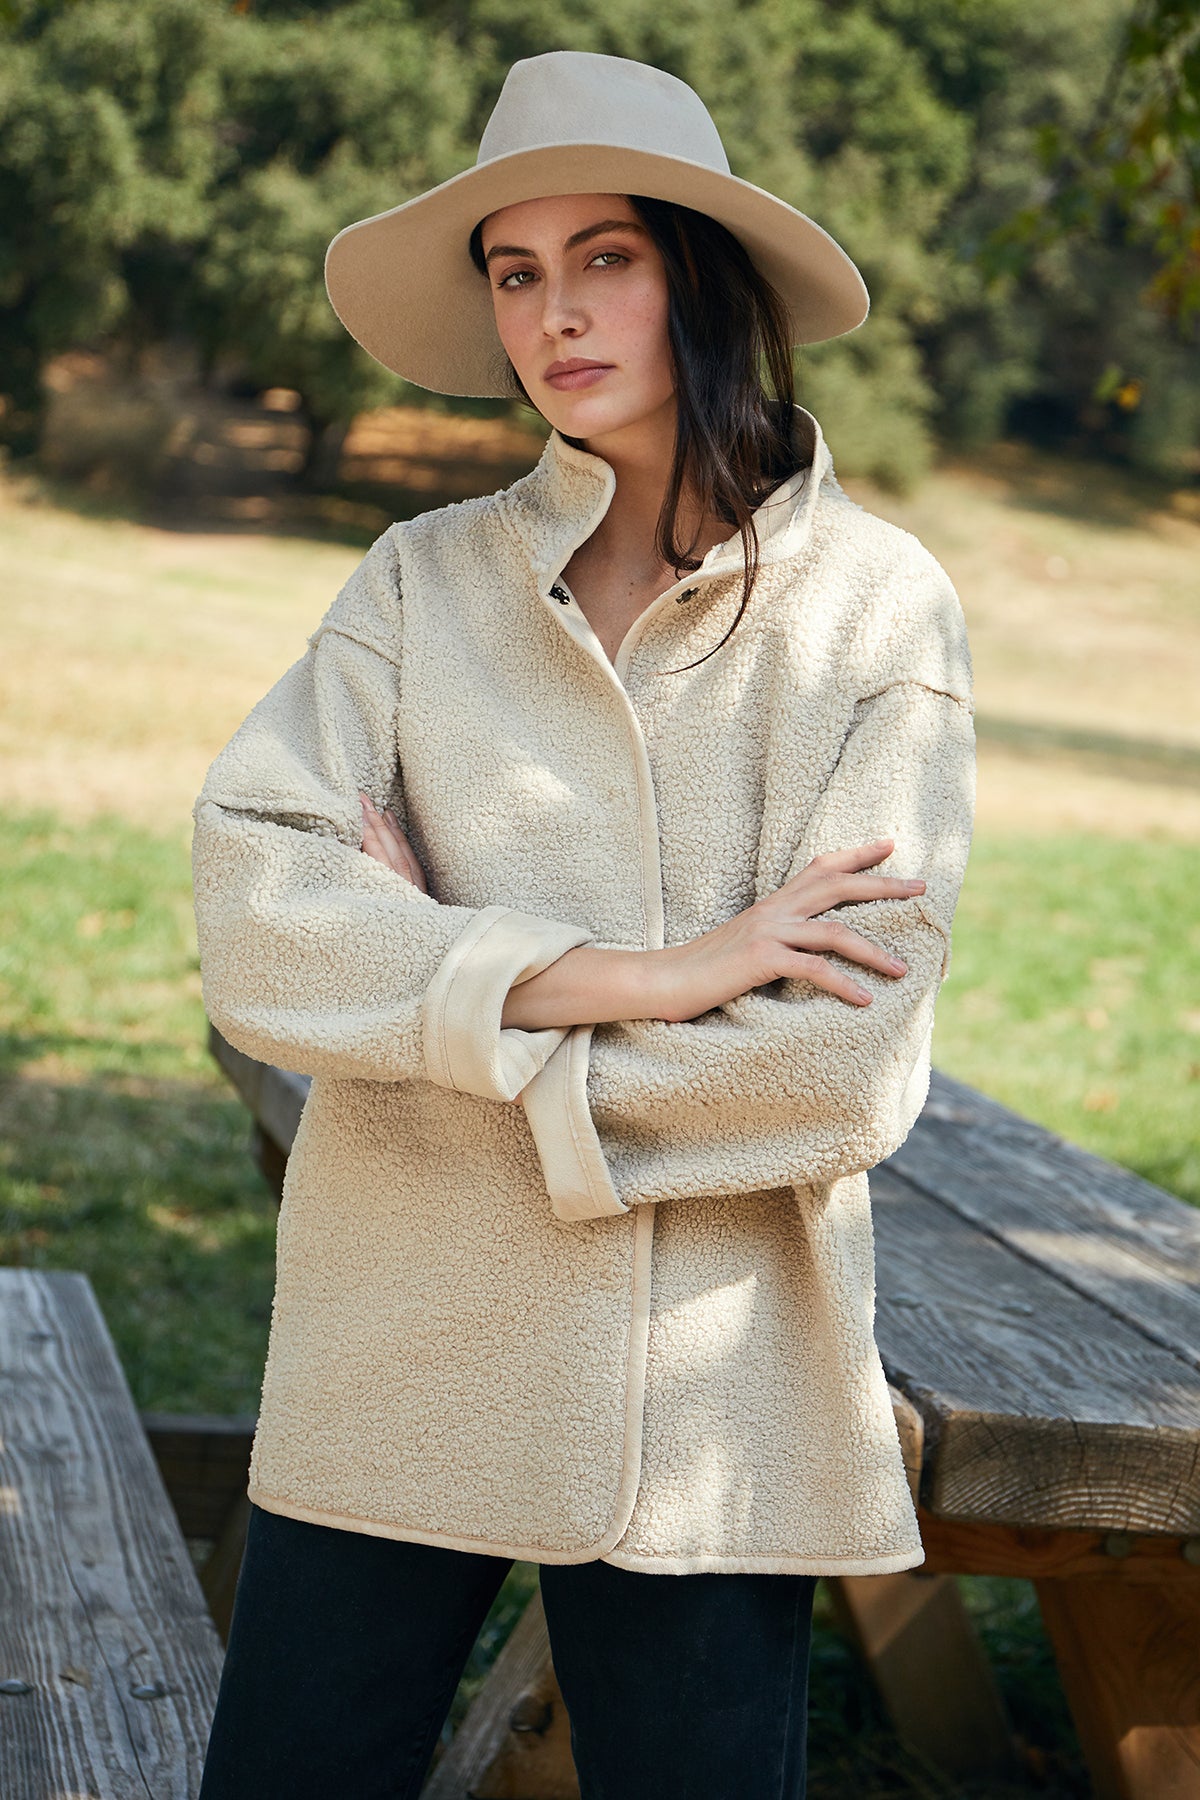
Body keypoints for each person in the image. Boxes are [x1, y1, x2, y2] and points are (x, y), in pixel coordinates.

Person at [192, 49, 976, 1800]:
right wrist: (664, 976)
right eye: (516, 270)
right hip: (395, 1340)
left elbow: (843, 1070)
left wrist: (442, 1022)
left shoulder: (873, 610)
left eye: (604, 255)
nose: (556, 311)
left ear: (702, 272)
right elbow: (257, 913)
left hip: (712, 1385)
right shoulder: (418, 580)